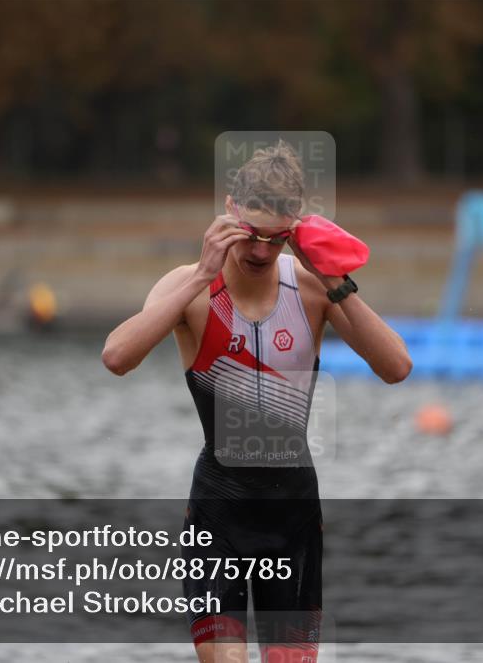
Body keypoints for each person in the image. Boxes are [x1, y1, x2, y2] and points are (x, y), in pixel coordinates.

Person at [102, 141, 411, 662]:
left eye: (275, 239)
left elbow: (395, 367)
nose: (260, 252)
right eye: (249, 235)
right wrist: (201, 275)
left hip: (292, 519)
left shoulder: (315, 290)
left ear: (294, 229)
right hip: (217, 514)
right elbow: (117, 356)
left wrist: (335, 280)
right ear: (229, 210)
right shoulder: (189, 287)